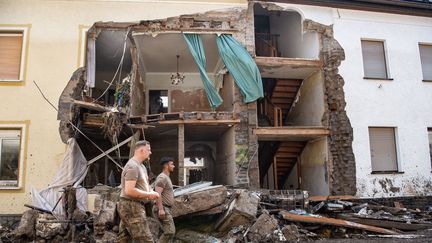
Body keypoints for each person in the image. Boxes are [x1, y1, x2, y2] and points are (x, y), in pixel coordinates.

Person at [118, 140, 160, 243]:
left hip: (134, 205)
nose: (150, 152)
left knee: (124, 239)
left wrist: (151, 192)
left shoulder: (141, 166)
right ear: (141, 150)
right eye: (148, 150)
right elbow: (129, 190)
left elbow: (144, 185)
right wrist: (149, 194)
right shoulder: (132, 166)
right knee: (145, 239)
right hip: (131, 206)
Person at [154, 157, 176, 243]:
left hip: (166, 208)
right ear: (166, 165)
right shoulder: (162, 178)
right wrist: (161, 209)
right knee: (170, 232)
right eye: (172, 164)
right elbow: (157, 194)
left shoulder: (166, 177)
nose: (174, 166)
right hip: (163, 208)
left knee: (167, 232)